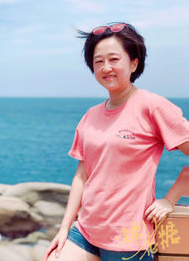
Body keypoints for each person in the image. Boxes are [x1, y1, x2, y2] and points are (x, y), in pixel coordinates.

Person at [43, 22, 189, 261]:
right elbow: (82, 176)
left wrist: (170, 199)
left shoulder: (153, 106)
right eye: (98, 61)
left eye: (114, 59)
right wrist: (64, 228)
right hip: (86, 232)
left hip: (129, 241)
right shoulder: (90, 116)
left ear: (134, 63)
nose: (106, 67)